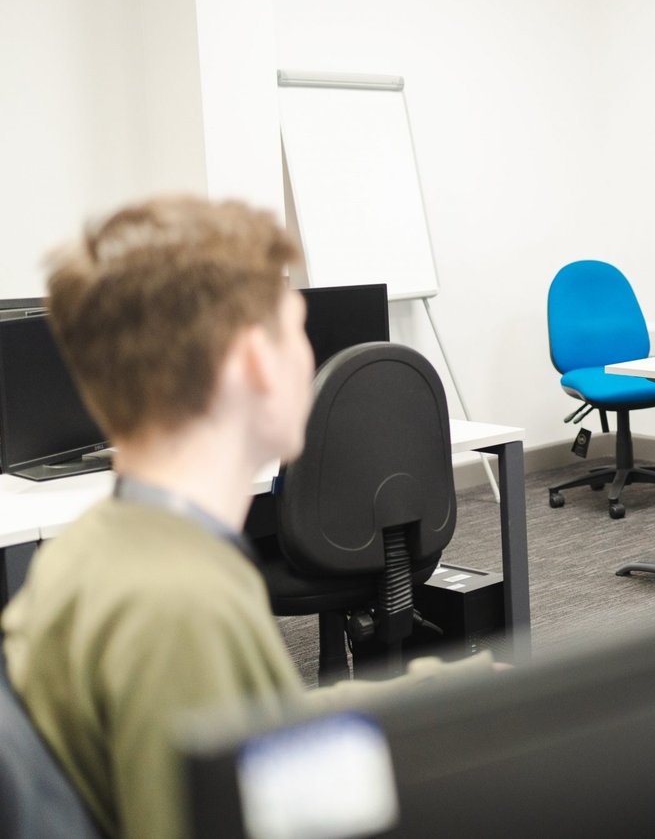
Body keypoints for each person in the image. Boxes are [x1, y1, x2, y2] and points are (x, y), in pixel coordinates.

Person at [0, 196, 481, 839]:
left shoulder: (97, 548)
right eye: (296, 331)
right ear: (256, 361)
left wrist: (438, 697)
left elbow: (251, 728)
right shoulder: (181, 609)